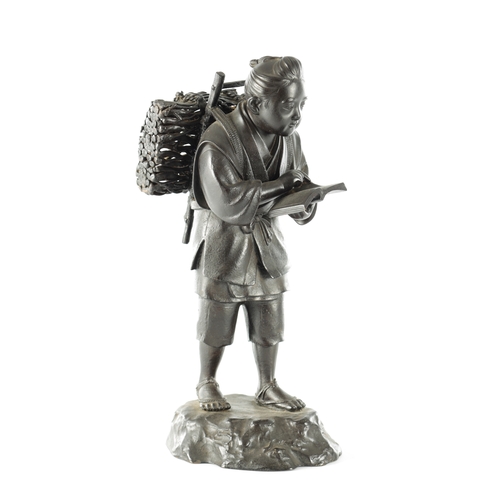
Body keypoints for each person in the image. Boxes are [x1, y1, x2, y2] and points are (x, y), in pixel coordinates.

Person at [190, 56, 316, 412]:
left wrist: (306, 201)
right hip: (225, 244)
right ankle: (207, 380)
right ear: (258, 103)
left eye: (302, 104)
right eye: (288, 105)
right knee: (217, 319)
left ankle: (268, 385)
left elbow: (298, 184)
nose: (297, 115)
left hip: (266, 245)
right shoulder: (218, 140)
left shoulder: (289, 139)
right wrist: (280, 185)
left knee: (269, 318)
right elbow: (227, 201)